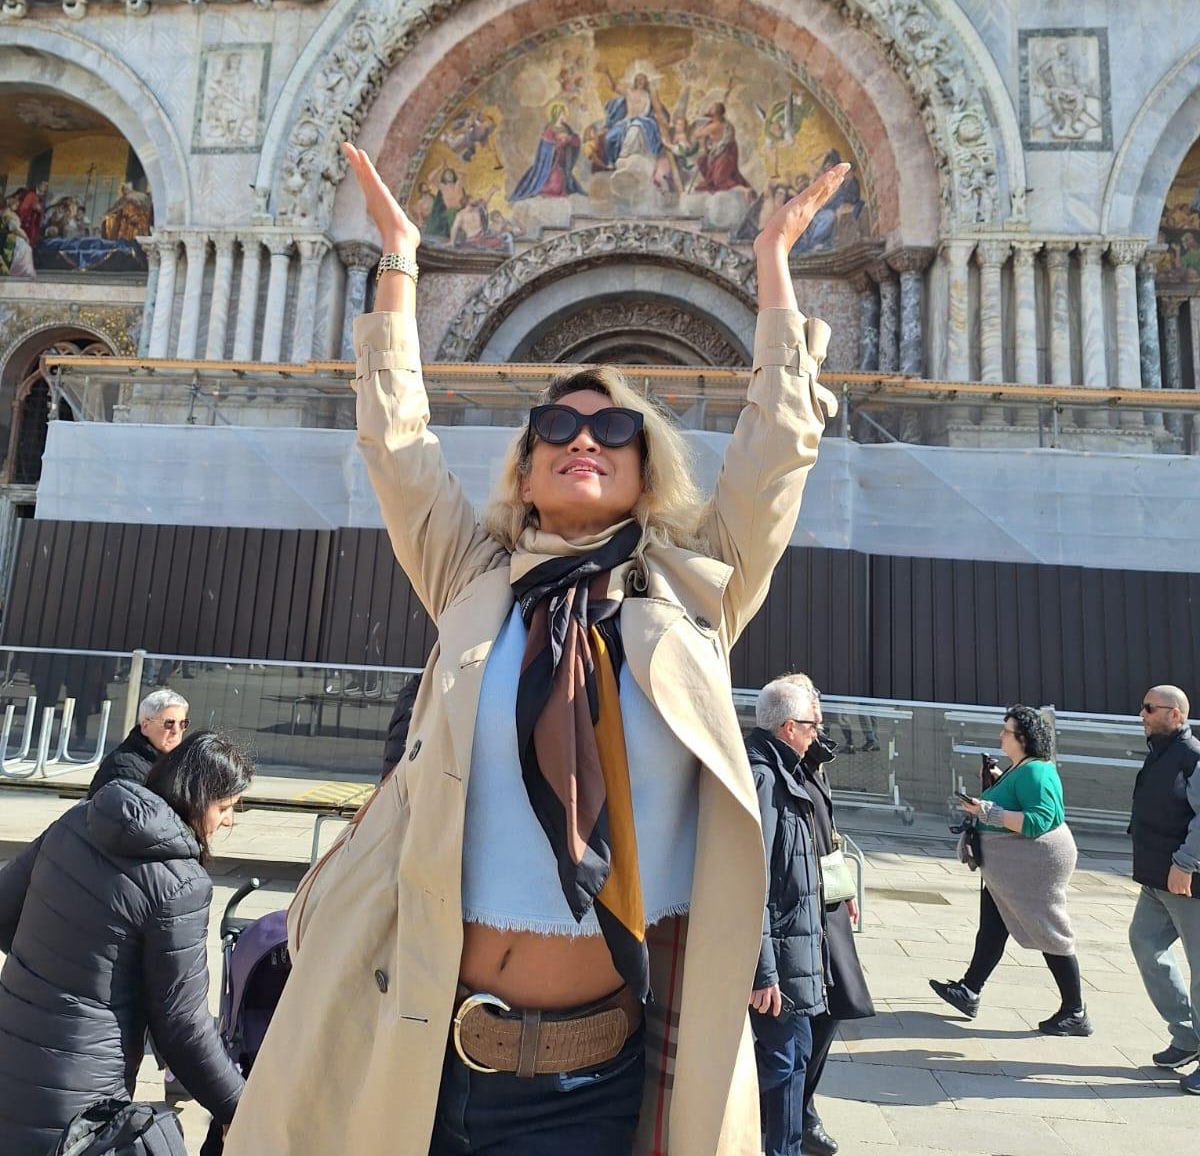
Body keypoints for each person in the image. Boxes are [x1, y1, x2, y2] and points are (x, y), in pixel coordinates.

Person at [223, 145, 849, 1156]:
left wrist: (773, 260)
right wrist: (399, 266)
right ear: (526, 461)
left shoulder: (697, 589)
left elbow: (779, 446)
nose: (583, 436)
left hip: (585, 1082)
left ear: (648, 468)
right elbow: (399, 445)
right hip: (421, 1045)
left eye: (613, 426)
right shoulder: (473, 579)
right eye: (557, 420)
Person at [0, 731, 251, 1155]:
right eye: (225, 808)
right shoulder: (181, 884)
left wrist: (49, 971)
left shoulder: (79, 819)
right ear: (197, 797)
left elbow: (5, 909)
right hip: (80, 1088)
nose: (229, 820)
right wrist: (240, 1107)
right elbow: (182, 1027)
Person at [929, 705, 1091, 1036]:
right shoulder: (1024, 768)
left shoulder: (1036, 771)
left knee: (1049, 931)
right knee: (992, 927)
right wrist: (997, 781)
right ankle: (969, 990)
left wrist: (987, 810)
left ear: (1023, 738)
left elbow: (1038, 821)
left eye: (1006, 731)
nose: (1000, 736)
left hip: (1030, 866)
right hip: (1010, 867)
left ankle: (1075, 1011)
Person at [745, 675, 828, 1156]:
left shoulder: (787, 771)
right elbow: (752, 879)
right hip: (775, 965)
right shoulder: (765, 778)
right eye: (814, 725)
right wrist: (763, 972)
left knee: (794, 1061)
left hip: (792, 955)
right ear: (790, 727)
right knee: (779, 1066)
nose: (819, 733)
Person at [802, 713, 874, 1154]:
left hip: (828, 900)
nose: (821, 725)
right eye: (813, 717)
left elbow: (827, 832)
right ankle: (798, 1110)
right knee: (810, 1014)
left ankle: (801, 1104)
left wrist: (843, 880)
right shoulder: (775, 764)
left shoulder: (815, 760)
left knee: (836, 1005)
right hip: (799, 906)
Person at [1127, 684, 1200, 1091]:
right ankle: (1188, 1034)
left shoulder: (1193, 757)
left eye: (1149, 708)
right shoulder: (1161, 753)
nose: (1142, 714)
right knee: (1144, 943)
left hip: (1186, 881)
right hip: (1156, 881)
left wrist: (1185, 864)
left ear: (1175, 714)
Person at [87, 688, 190, 797]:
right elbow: (131, 811)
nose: (176, 731)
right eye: (169, 724)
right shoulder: (123, 765)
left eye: (183, 724)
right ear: (145, 726)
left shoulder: (179, 765)